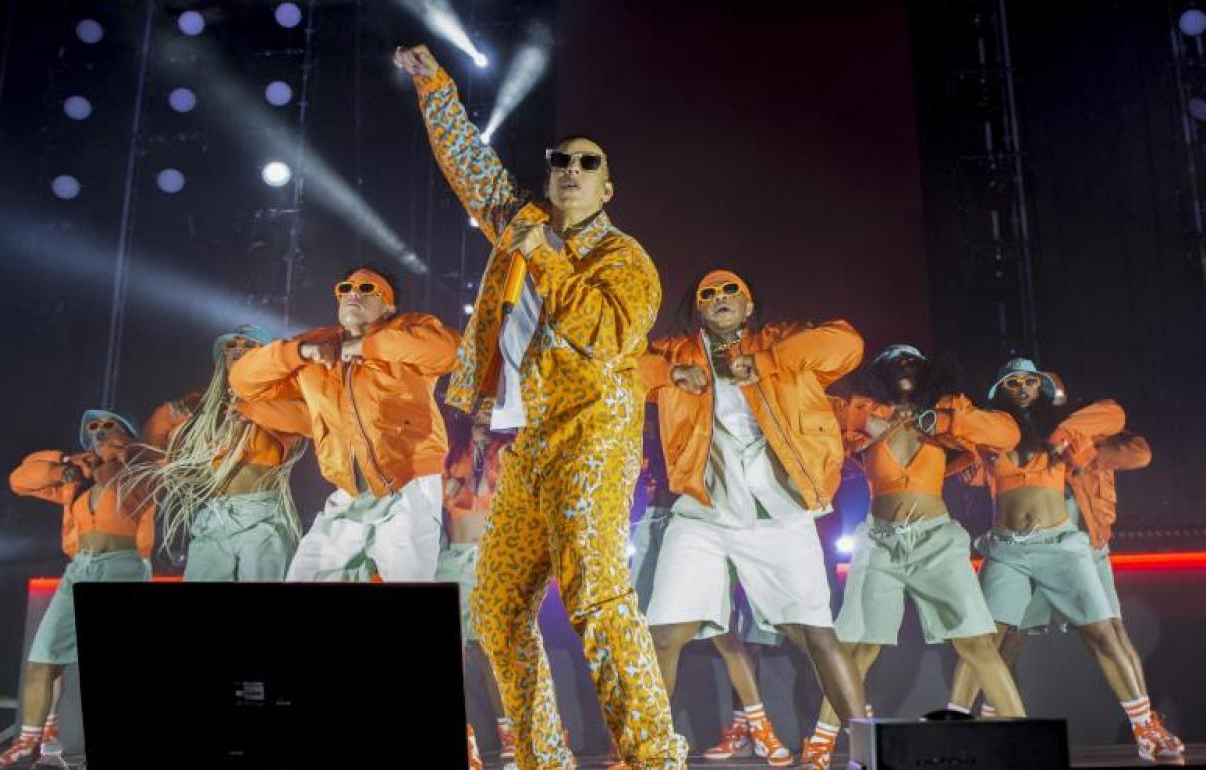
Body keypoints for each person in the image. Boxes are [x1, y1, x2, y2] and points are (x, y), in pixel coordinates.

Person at [395, 43, 687, 770]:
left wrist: (546, 254)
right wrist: (435, 88)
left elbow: (608, 333)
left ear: (607, 188)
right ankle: (540, 758)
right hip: (529, 444)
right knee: (495, 609)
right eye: (561, 160)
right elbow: (471, 168)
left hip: (595, 437)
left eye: (588, 163)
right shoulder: (519, 226)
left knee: (597, 597)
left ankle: (655, 757)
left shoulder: (624, 258)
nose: (571, 170)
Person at [638, 268, 867, 769]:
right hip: (703, 513)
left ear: (748, 305)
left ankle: (871, 753)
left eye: (731, 291)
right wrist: (669, 376)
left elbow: (848, 344)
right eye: (709, 293)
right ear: (698, 308)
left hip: (778, 512)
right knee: (662, 634)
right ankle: (648, 754)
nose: (720, 297)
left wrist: (764, 362)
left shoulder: (781, 341)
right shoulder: (677, 354)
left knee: (815, 634)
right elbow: (618, 371)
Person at [796, 345, 1025, 770]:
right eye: (894, 360)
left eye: (912, 360)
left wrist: (945, 421)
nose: (904, 364)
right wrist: (864, 419)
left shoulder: (946, 409)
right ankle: (821, 747)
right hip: (878, 541)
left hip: (936, 541)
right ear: (878, 372)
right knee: (857, 649)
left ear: (927, 371)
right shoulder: (865, 411)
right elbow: (810, 412)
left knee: (977, 643)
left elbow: (1007, 434)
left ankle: (1024, 743)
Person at [948, 359, 1184, 766]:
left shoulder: (1071, 430)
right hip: (1007, 549)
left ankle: (1146, 728)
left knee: (1106, 633)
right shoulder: (993, 434)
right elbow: (959, 455)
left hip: (1069, 546)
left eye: (1033, 383)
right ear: (999, 391)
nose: (1025, 388)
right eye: (1013, 382)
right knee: (992, 640)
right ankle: (970, 727)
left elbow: (1125, 431)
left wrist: (1073, 439)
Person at [229, 266, 460, 582]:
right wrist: (299, 352)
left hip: (409, 487)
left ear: (388, 307)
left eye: (367, 289)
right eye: (345, 288)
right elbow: (242, 381)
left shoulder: (409, 331)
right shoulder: (319, 346)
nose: (353, 293)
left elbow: (453, 351)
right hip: (349, 493)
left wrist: (367, 347)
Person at [0, 411, 153, 770]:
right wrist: (62, 465)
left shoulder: (140, 469)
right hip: (79, 569)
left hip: (123, 567)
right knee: (43, 657)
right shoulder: (78, 480)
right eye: (93, 427)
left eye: (109, 425)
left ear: (127, 433)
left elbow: (162, 467)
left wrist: (123, 453)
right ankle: (29, 744)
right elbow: (19, 480)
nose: (100, 431)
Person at [140, 325, 307, 580]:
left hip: (261, 514)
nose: (238, 350)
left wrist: (254, 411)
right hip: (213, 513)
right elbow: (151, 444)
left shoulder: (282, 396)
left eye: (248, 345)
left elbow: (310, 422)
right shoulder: (202, 405)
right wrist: (169, 419)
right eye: (231, 346)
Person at [438, 416, 517, 769]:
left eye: (489, 410)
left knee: (489, 649)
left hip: (491, 558)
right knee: (463, 651)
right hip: (452, 559)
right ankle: (475, 742)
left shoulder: (508, 449)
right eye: (478, 411)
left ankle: (511, 738)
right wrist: (450, 486)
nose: (483, 417)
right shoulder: (452, 450)